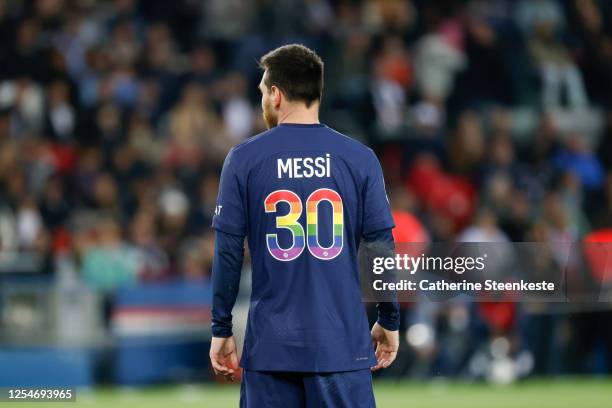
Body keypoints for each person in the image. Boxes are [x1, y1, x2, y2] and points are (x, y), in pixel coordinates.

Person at [209, 44, 400, 407]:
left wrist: (221, 328)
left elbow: (228, 250)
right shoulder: (359, 159)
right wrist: (388, 317)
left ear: (277, 95)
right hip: (341, 346)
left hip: (271, 349)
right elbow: (380, 248)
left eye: (264, 91)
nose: (263, 100)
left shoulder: (244, 159)